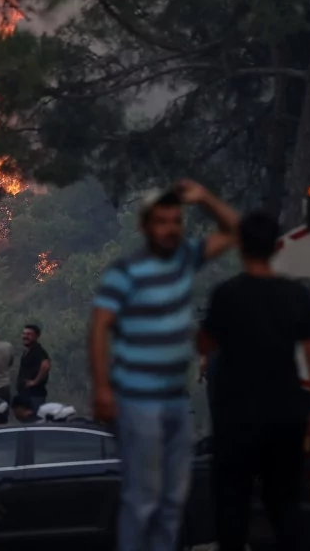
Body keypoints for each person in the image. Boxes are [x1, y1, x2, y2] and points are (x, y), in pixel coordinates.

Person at [88, 180, 239, 551]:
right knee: (142, 499)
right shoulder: (125, 273)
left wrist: (204, 197)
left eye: (176, 221)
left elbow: (236, 230)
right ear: (145, 227)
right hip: (137, 400)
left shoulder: (186, 259)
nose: (170, 228)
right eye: (161, 221)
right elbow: (100, 328)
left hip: (176, 400)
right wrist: (103, 388)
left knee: (173, 502)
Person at [198, 211, 310, 551]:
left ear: (240, 247)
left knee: (232, 505)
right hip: (285, 413)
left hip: (237, 417)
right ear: (275, 247)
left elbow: (205, 344)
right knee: (286, 505)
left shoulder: (227, 294)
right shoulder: (295, 294)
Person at [16, 324, 51, 409]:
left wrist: (35, 381)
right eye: (24, 334)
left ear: (37, 336)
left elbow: (46, 365)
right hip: (26, 395)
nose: (25, 336)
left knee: (35, 420)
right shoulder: (27, 351)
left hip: (35, 395)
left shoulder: (38, 351)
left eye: (29, 334)